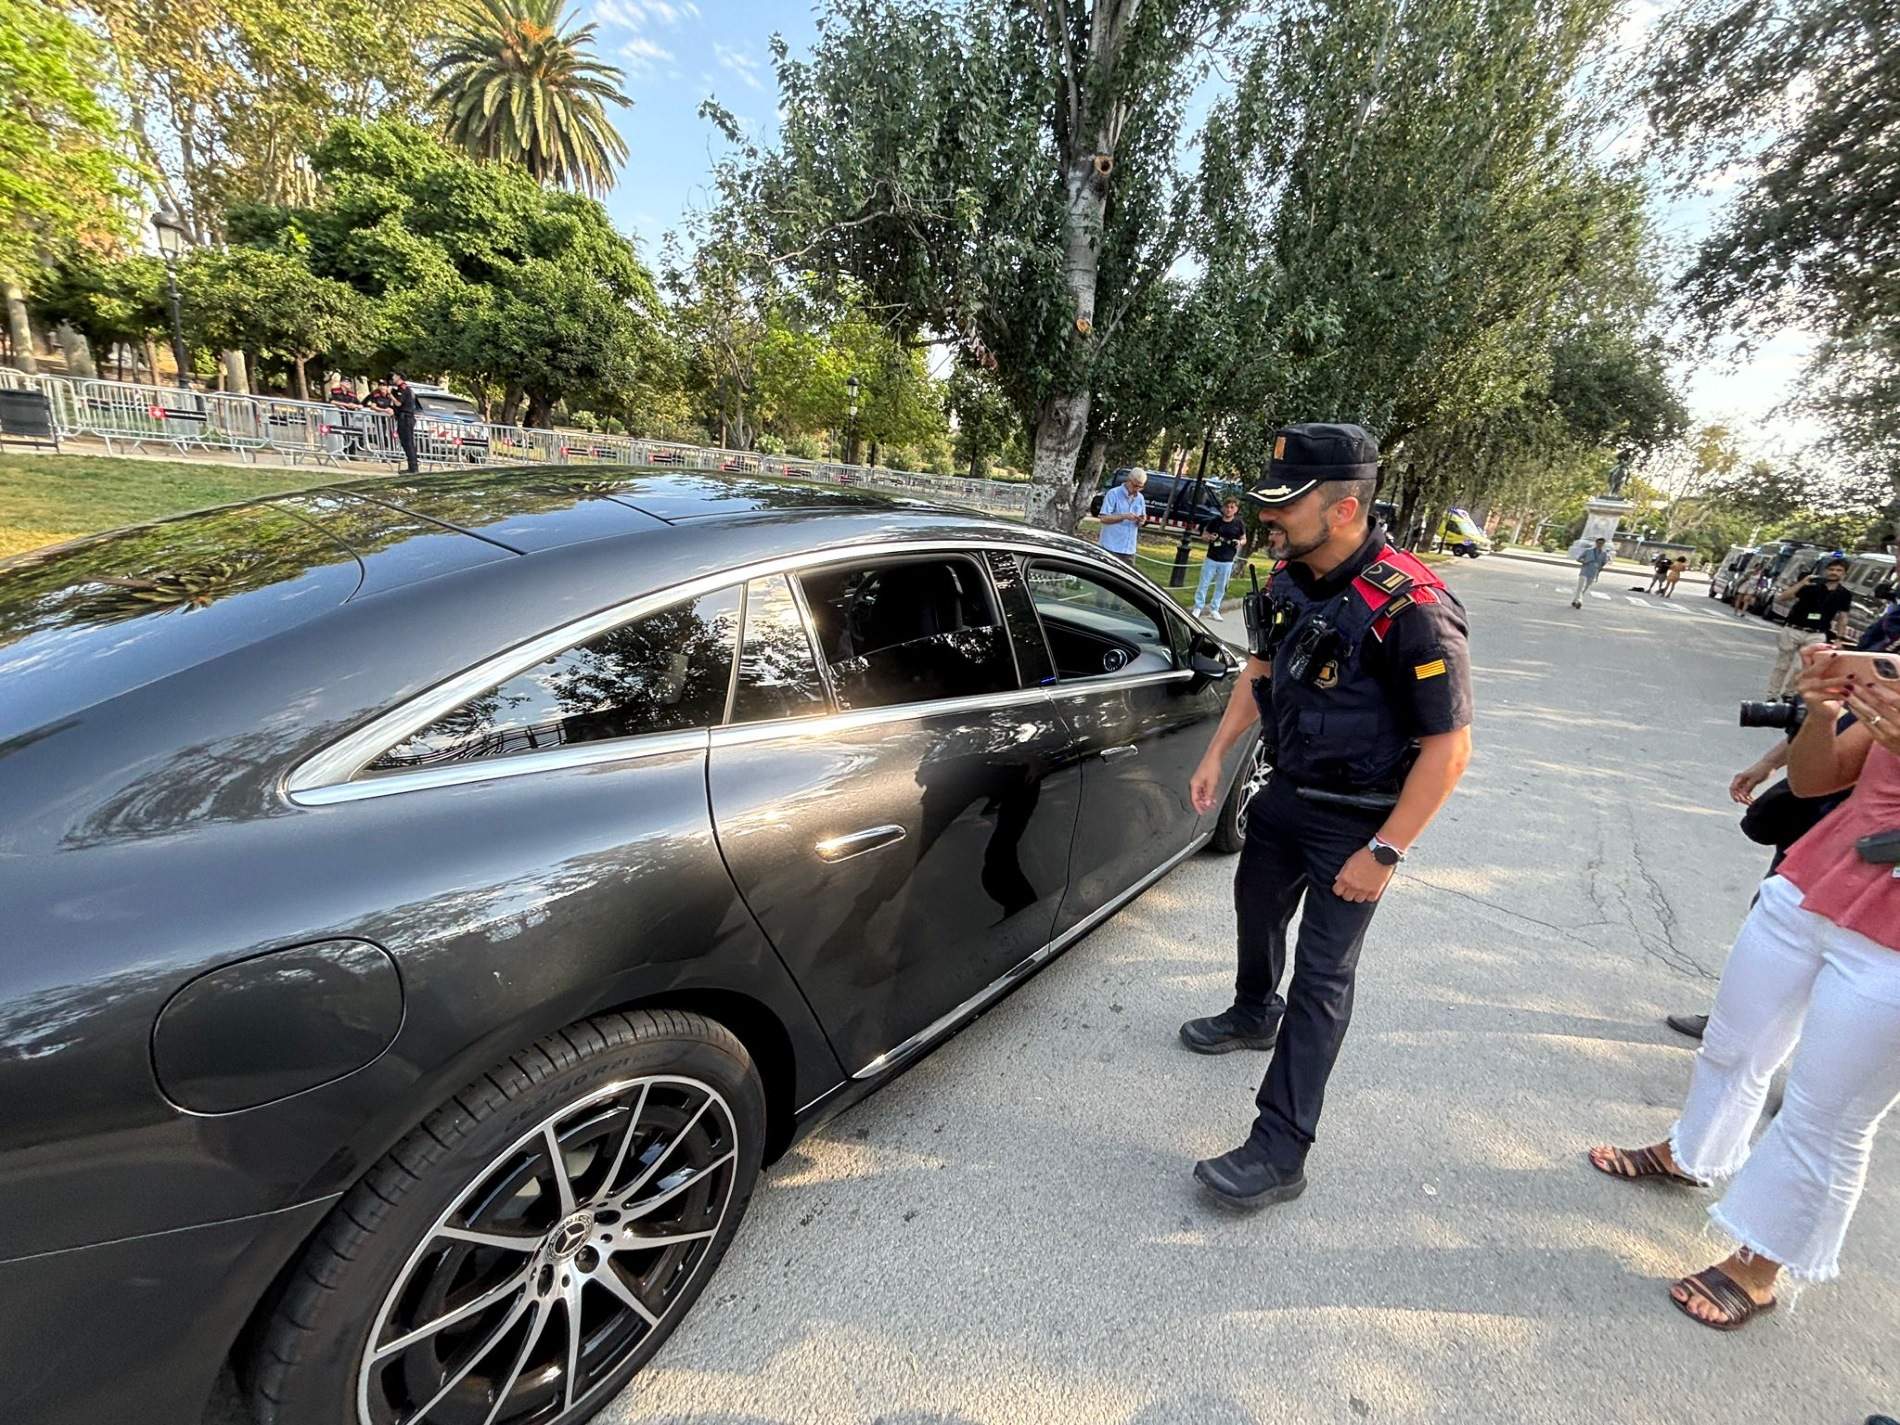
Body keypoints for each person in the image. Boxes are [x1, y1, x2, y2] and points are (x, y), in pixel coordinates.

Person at [1182, 422, 1474, 1209]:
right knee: (1252, 908)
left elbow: (1449, 749)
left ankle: (1281, 1150)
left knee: (1321, 978)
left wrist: (1385, 850)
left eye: (1284, 504)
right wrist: (1217, 753)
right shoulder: (1288, 580)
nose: (1267, 518)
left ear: (1343, 508)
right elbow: (1262, 669)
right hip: (1285, 795)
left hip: (1359, 820)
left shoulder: (1413, 607)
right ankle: (1251, 1010)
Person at [1590, 645, 1900, 1330]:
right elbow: (1820, 780)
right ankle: (1691, 1151)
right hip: (1816, 879)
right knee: (1734, 1043)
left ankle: (1761, 1264)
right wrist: (1821, 713)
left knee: (1829, 1117)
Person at [1767, 557, 1853, 696]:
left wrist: (1839, 638)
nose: (1834, 572)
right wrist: (1802, 583)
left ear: (1844, 574)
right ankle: (1772, 695)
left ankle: (1789, 693)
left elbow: (1843, 617)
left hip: (1817, 633)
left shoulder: (1845, 594)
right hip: (1794, 629)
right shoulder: (1811, 586)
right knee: (1782, 665)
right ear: (1825, 571)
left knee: (1802, 667)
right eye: (1831, 569)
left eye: (1838, 570)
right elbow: (1782, 597)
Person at [1192, 495, 1247, 620]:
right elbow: (1204, 535)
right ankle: (1198, 607)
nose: (1229, 509)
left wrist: (1238, 543)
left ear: (1236, 509)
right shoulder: (1215, 521)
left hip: (1227, 560)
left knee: (1221, 586)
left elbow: (1244, 539)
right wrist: (1210, 537)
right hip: (1212, 558)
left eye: (1232, 507)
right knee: (1204, 583)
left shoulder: (1239, 523)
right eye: (1227, 507)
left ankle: (1215, 608)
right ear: (1223, 508)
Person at [1096, 469, 1147, 564]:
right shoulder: (1113, 494)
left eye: (1140, 487)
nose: (1137, 489)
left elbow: (1141, 521)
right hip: (1111, 547)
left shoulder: (1140, 498)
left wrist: (1141, 521)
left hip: (1129, 550)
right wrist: (1124, 516)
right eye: (1135, 486)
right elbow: (1103, 518)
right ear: (1128, 480)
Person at [389, 371, 420, 475]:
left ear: (399, 377)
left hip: (406, 418)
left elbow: (398, 403)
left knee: (408, 443)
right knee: (405, 443)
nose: (392, 377)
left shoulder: (403, 388)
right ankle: (412, 466)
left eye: (394, 376)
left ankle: (413, 468)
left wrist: (390, 395)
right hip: (404, 418)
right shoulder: (400, 389)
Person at [1572, 536, 1613, 608]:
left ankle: (1575, 600)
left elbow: (1604, 562)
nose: (1600, 544)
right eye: (1599, 543)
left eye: (1602, 543)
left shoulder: (1604, 554)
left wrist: (1600, 568)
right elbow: (1578, 559)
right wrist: (1584, 561)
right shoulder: (1588, 551)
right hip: (1585, 570)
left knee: (1585, 587)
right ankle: (1579, 601)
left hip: (1593, 572)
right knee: (1580, 587)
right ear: (1596, 543)